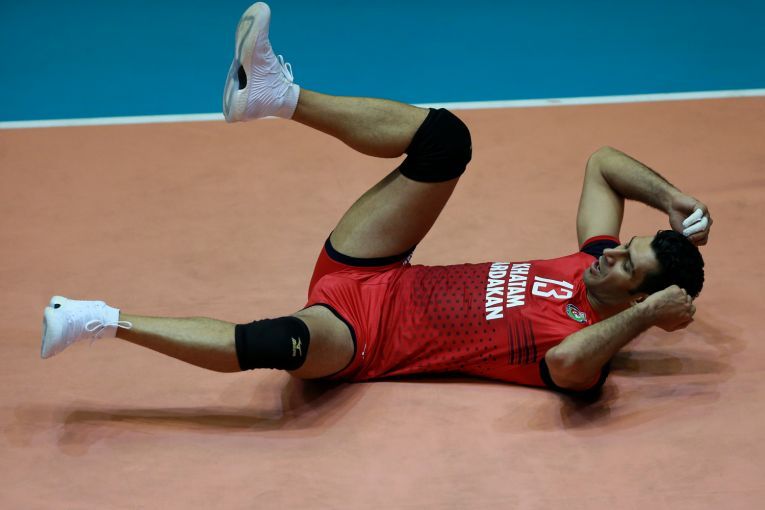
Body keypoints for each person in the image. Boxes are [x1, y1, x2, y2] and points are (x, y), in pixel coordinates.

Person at [41, 2, 711, 395]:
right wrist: (673, 200)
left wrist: (646, 317)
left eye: (626, 264)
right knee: (446, 140)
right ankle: (275, 95)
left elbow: (566, 368)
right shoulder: (591, 264)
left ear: (636, 301)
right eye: (624, 247)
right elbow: (602, 165)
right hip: (373, 269)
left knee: (274, 343)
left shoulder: (584, 343)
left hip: (359, 340)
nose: (609, 255)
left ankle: (96, 320)